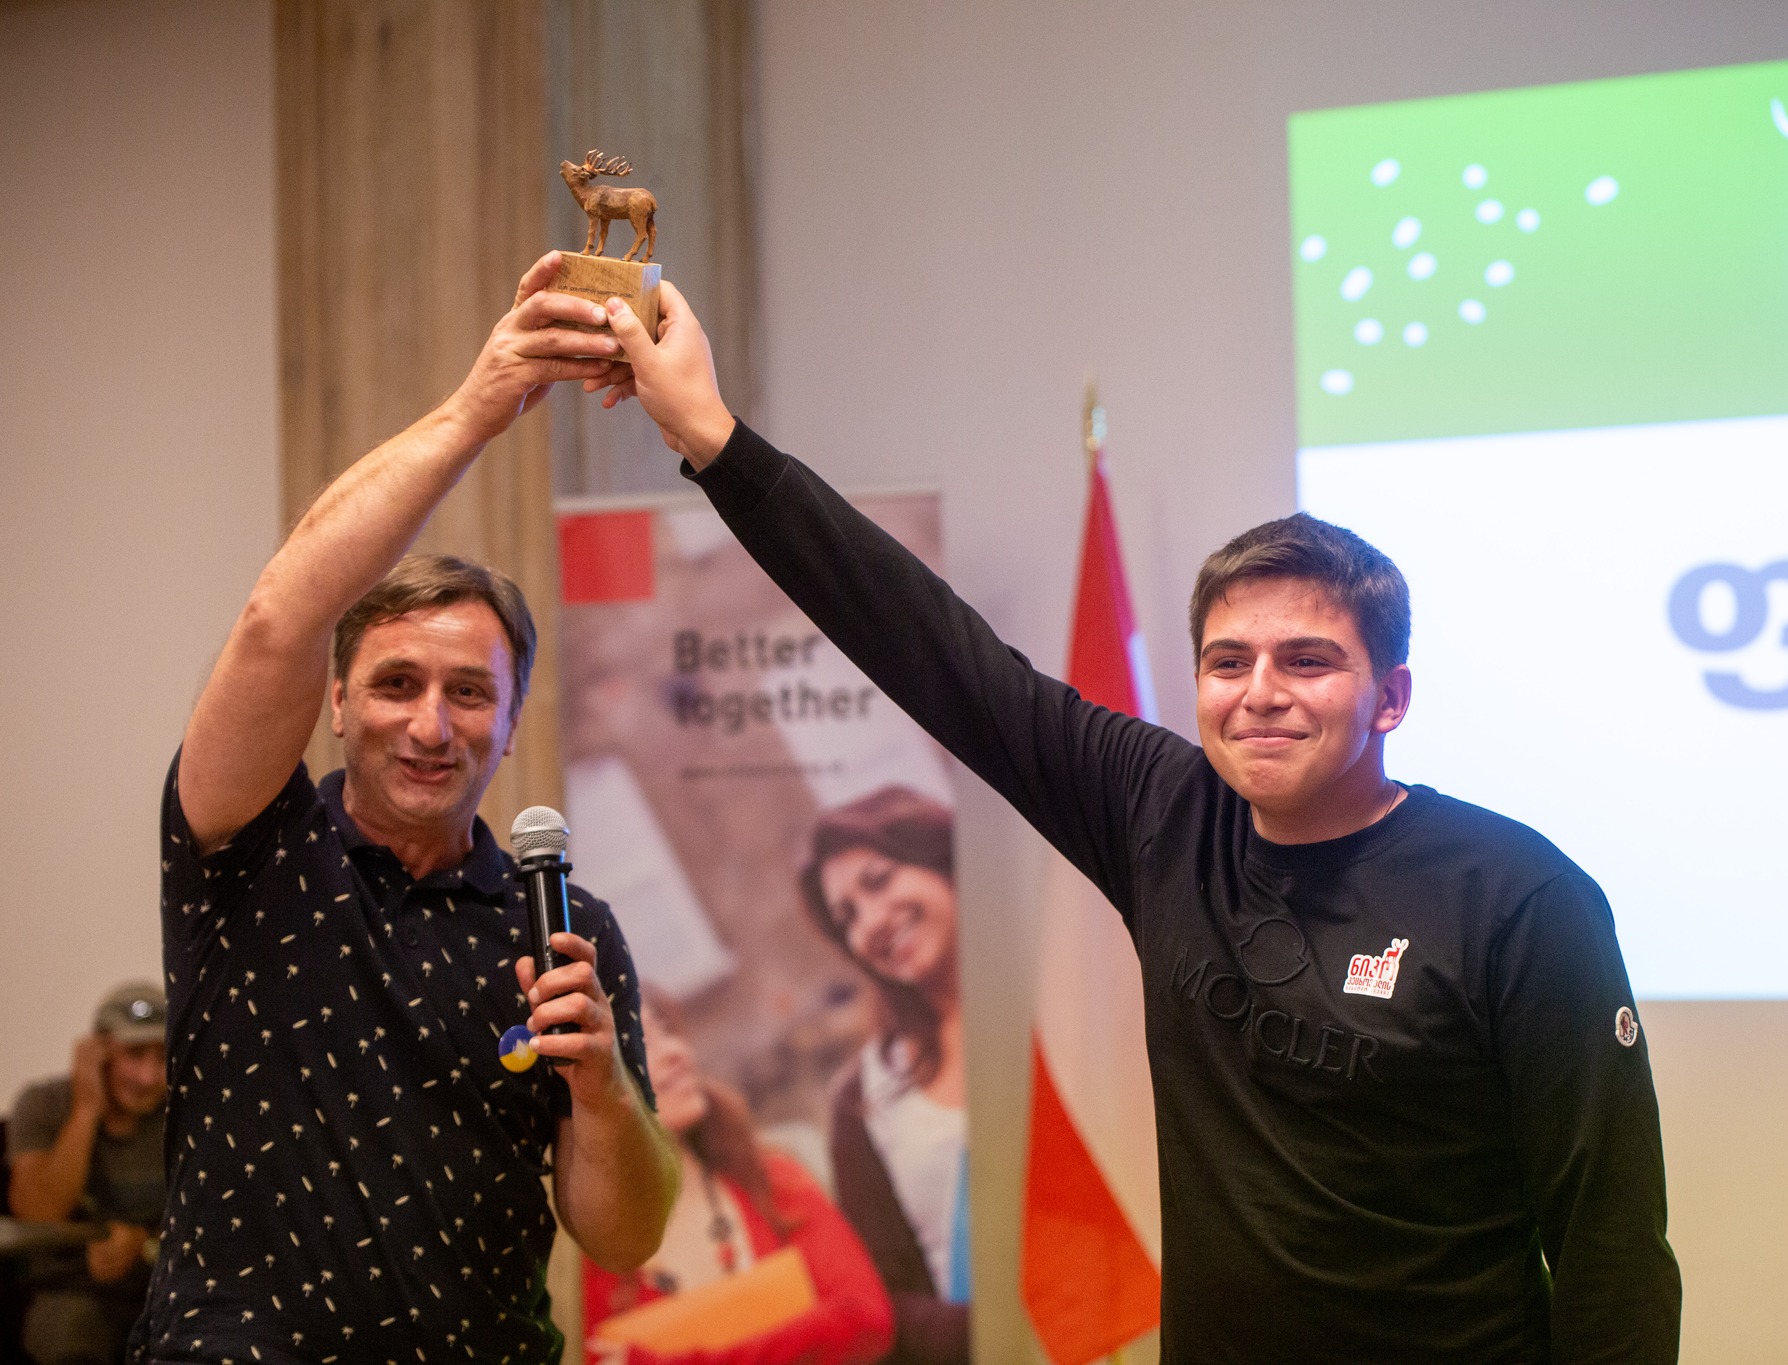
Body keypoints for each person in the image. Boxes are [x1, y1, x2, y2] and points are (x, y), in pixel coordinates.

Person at [581, 275, 1684, 1363]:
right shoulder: (1164, 814)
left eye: (1308, 661)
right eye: (1227, 662)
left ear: (1390, 698)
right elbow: (925, 644)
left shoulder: (1519, 898)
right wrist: (715, 439)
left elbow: (1613, 1251)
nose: (1259, 693)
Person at [135, 254, 679, 1362]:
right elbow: (276, 620)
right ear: (335, 703)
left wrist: (603, 1089)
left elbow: (625, 1238)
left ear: (511, 722)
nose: (431, 725)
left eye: (470, 692)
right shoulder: (249, 849)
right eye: (396, 683)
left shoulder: (564, 932)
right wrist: (480, 407)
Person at [583, 1010, 893, 1365]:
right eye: (638, 1045)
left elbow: (866, 1320)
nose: (675, 1051)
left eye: (667, 1032)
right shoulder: (586, 1267)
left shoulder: (772, 1179)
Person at [798, 788, 969, 1365]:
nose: (871, 923)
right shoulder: (862, 1100)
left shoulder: (1063, 997)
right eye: (847, 917)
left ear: (942, 857)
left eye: (879, 881)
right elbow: (888, 1303)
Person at [8, 983, 170, 1365]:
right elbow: (38, 1212)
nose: (148, 1077)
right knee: (70, 1332)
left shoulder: (184, 1112)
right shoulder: (44, 1104)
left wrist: (140, 1242)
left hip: (164, 1291)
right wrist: (85, 1110)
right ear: (98, 1052)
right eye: (134, 1054)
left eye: (163, 1057)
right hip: (71, 1293)